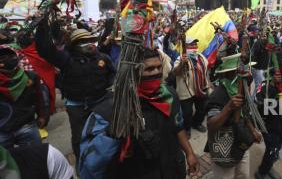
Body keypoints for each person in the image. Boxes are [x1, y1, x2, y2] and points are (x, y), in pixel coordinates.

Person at [105, 48, 199, 179]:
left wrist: (189, 153)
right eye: (149, 69)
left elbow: (178, 126)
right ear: (135, 72)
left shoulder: (169, 94)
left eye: (159, 67)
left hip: (173, 168)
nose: (156, 72)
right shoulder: (120, 105)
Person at [35, 22, 116, 168]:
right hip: (77, 107)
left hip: (101, 104)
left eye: (91, 40)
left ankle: (103, 165)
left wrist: (108, 87)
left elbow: (113, 73)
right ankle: (82, 165)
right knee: (80, 138)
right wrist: (42, 26)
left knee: (105, 135)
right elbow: (45, 50)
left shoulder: (103, 58)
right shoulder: (66, 60)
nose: (90, 44)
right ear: (74, 44)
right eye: (84, 42)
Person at [206, 53, 261, 178]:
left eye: (246, 71)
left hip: (241, 142)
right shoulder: (218, 95)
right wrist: (229, 107)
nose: (246, 74)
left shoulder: (243, 89)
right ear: (229, 74)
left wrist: (253, 130)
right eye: (240, 72)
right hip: (223, 145)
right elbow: (211, 125)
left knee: (243, 175)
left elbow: (245, 112)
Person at [0, 46, 45, 150]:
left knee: (35, 159)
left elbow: (39, 97)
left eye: (11, 55)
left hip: (26, 125)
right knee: (6, 165)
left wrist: (41, 115)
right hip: (2, 131)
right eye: (2, 58)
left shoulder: (31, 76)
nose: (8, 59)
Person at [173, 37, 209, 136]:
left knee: (203, 108)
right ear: (186, 47)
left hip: (201, 88)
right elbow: (175, 72)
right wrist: (182, 63)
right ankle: (187, 129)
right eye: (191, 45)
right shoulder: (180, 58)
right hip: (186, 90)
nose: (194, 47)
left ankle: (196, 123)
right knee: (187, 113)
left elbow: (206, 68)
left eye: (195, 45)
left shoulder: (201, 57)